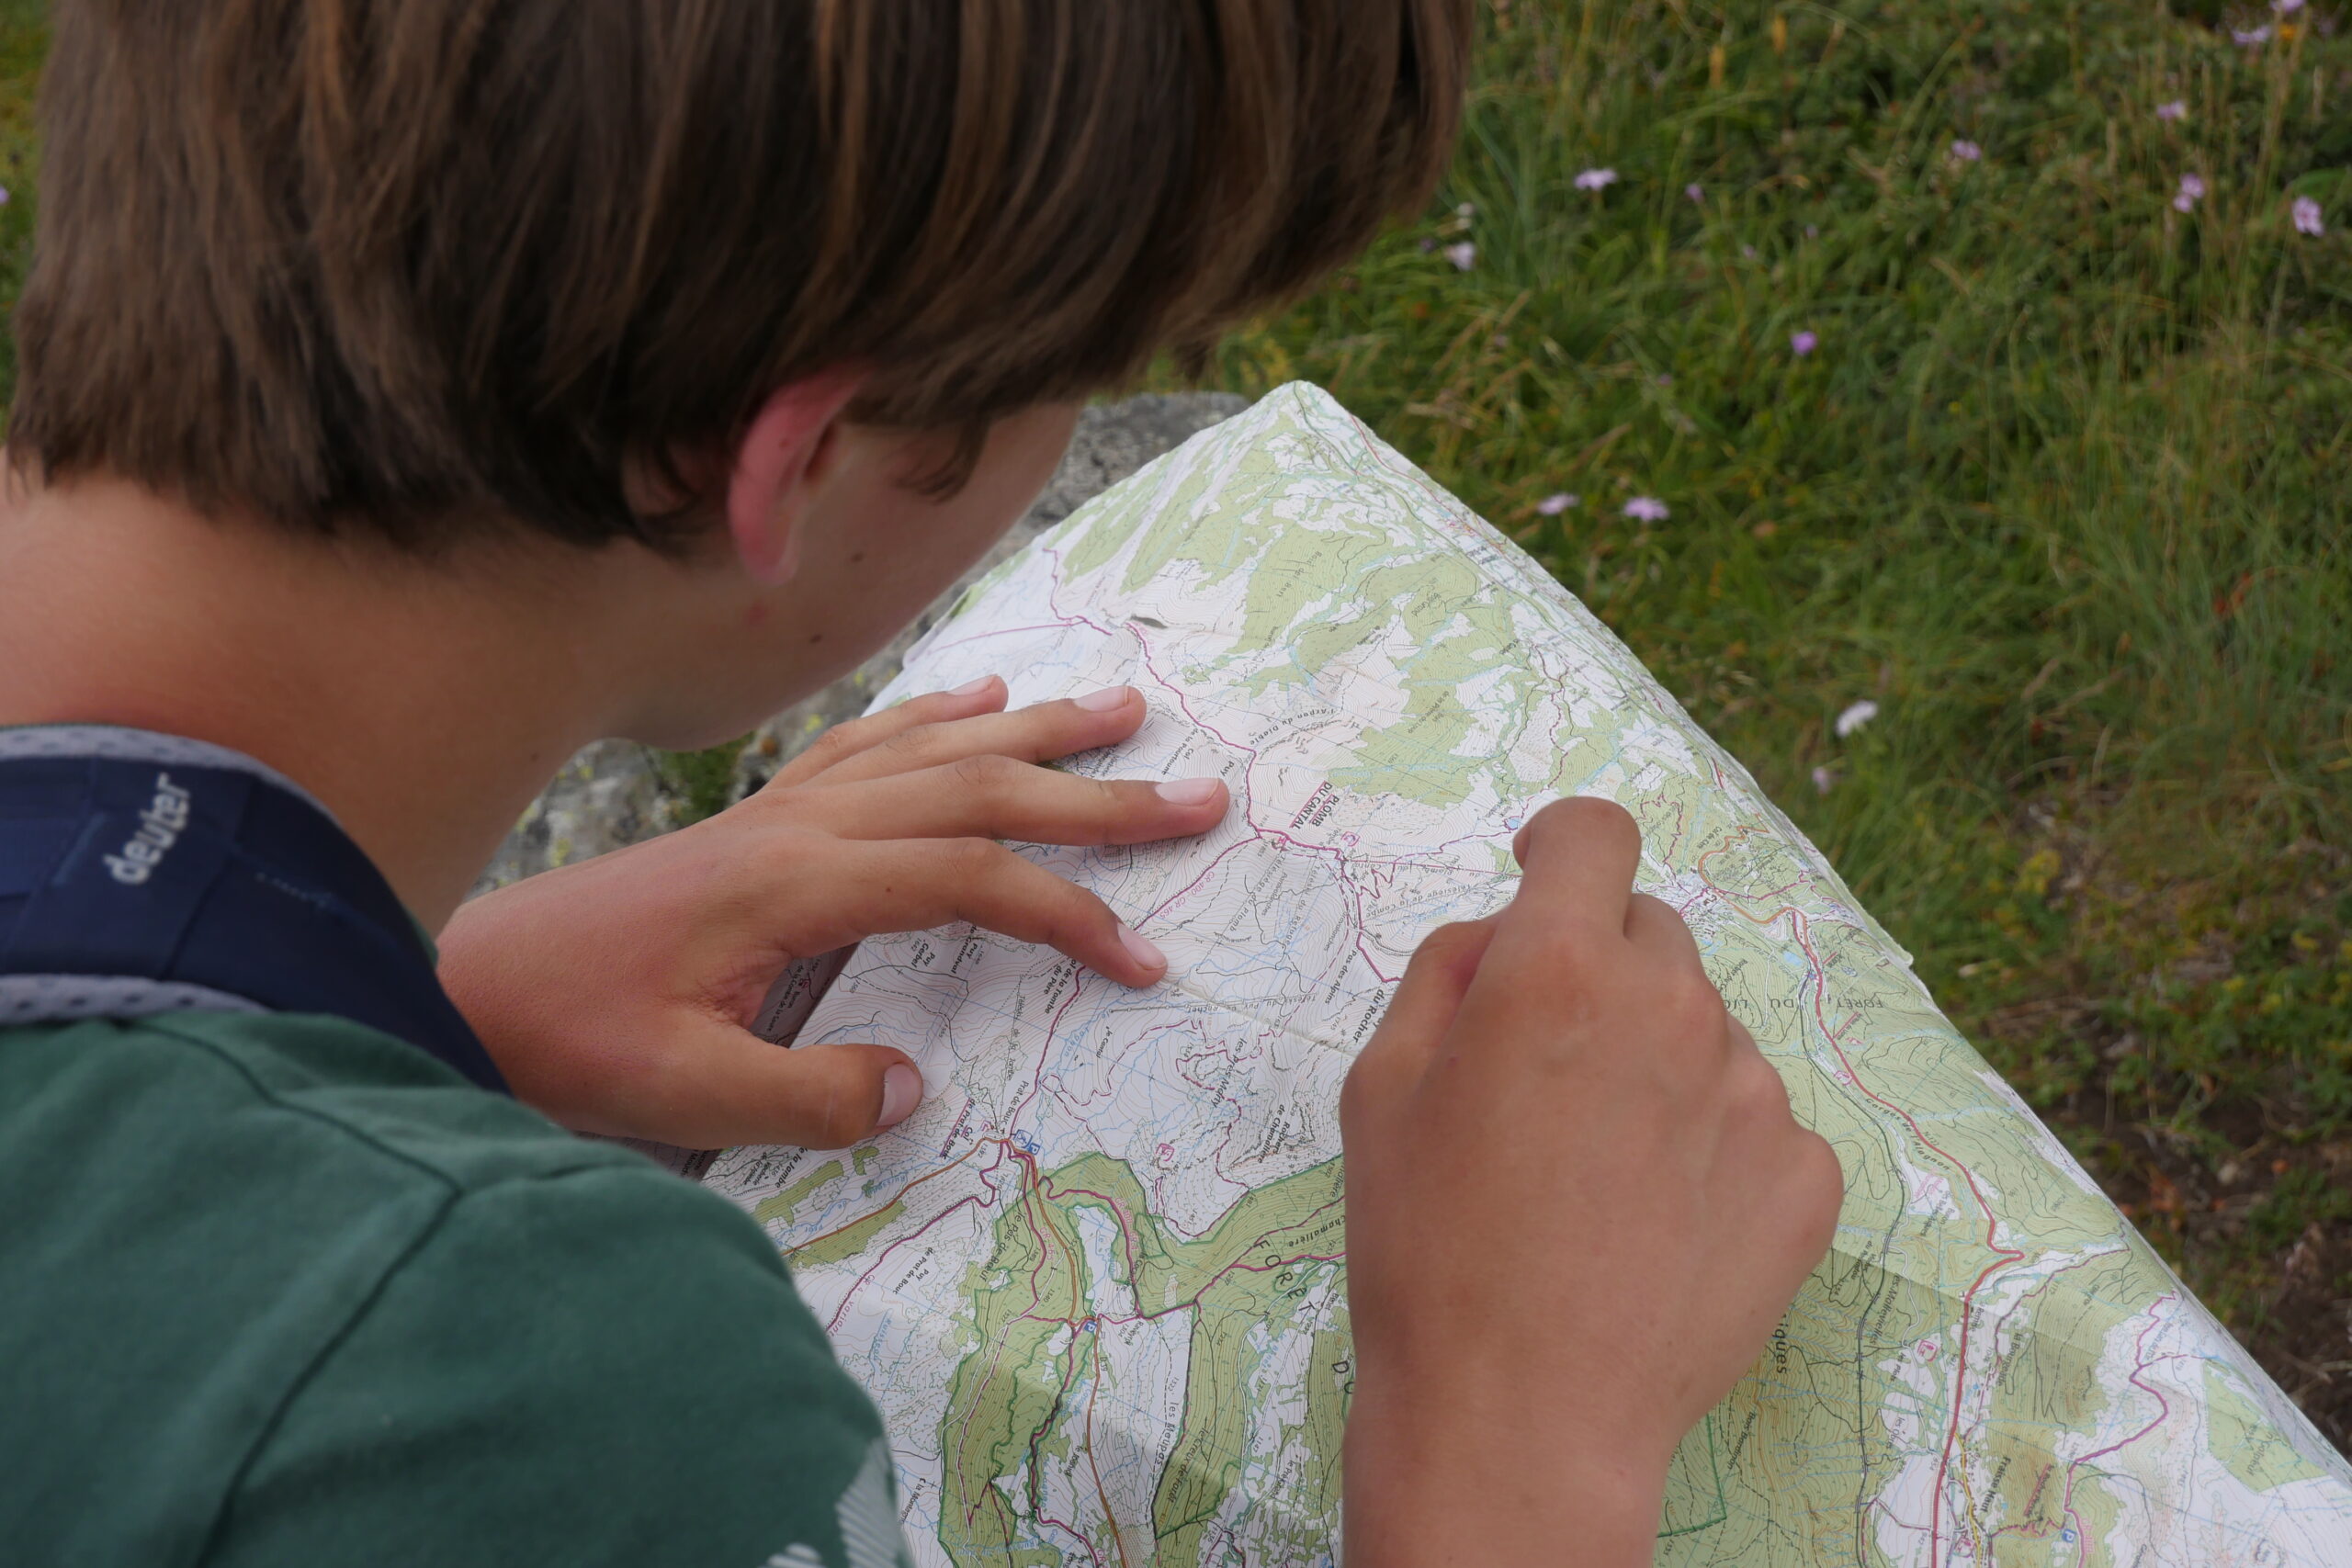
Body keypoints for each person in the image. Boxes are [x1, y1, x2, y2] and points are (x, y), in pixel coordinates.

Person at [0, 2, 1843, 1563]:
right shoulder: (524, 1385)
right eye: (1087, 373)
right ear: (794, 467)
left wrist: (420, 983)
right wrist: (1506, 1449)